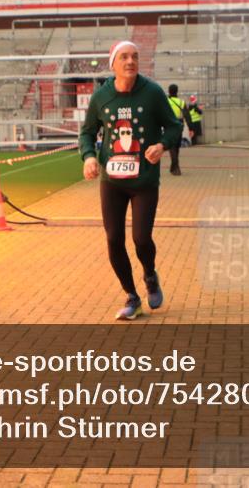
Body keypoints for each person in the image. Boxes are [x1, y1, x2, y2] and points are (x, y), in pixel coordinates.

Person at [79, 41, 182, 320]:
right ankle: (132, 296)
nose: (130, 61)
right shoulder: (102, 97)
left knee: (141, 238)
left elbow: (174, 125)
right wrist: (89, 157)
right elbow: (87, 132)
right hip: (112, 180)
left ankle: (150, 274)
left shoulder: (152, 93)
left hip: (144, 180)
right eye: (124, 57)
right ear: (113, 64)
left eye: (135, 56)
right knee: (114, 239)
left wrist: (162, 145)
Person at [166, 84, 190, 175]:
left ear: (169, 91)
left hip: (169, 124)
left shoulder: (166, 101)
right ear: (177, 91)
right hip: (179, 125)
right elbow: (187, 115)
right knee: (176, 147)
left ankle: (176, 167)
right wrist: (191, 128)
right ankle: (174, 167)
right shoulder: (181, 102)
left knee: (172, 147)